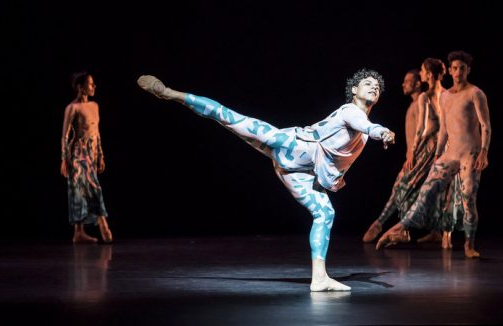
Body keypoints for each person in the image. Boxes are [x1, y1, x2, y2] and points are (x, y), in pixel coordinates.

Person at [137, 68, 396, 291]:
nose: (373, 87)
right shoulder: (350, 111)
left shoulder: (361, 134)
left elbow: (340, 160)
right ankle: (170, 93)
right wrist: (382, 131)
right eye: (367, 83)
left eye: (377, 86)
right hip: (290, 146)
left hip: (298, 174)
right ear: (354, 90)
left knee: (325, 213)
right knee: (229, 117)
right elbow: (366, 126)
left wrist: (329, 181)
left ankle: (319, 278)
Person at [376, 51, 491, 258]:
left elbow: (486, 126)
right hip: (450, 153)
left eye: (462, 68)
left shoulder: (475, 93)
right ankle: (398, 228)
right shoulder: (446, 96)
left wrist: (484, 151)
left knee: (468, 198)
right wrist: (438, 155)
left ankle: (469, 245)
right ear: (451, 70)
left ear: (468, 70)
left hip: (470, 154)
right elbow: (444, 130)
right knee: (426, 193)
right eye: (454, 68)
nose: (457, 72)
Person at [362, 69, 422, 243]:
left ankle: (383, 223)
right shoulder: (413, 105)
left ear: (418, 83)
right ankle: (390, 226)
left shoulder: (422, 103)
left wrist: (417, 155)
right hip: (413, 156)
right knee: (404, 190)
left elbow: (425, 132)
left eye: (407, 81)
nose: (403, 84)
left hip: (421, 156)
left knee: (404, 189)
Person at [61, 72, 113, 244]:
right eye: (90, 84)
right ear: (80, 87)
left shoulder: (94, 106)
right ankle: (102, 225)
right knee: (85, 189)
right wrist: (63, 160)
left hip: (91, 154)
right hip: (77, 154)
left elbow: (96, 133)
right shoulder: (72, 108)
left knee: (86, 190)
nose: (94, 86)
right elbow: (65, 135)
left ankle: (79, 232)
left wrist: (101, 156)